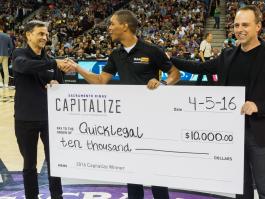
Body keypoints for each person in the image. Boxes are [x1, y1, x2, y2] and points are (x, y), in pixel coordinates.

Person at [169, 5, 265, 199]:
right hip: (232, 134)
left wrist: (259, 106)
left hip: (261, 135)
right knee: (240, 189)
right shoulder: (228, 55)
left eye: (245, 24)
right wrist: (170, 59)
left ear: (258, 26)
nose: (240, 29)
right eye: (237, 25)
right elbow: (200, 68)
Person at [64, 10, 180, 199]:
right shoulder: (116, 54)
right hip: (128, 121)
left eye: (112, 24)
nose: (108, 27)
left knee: (156, 170)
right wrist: (77, 67)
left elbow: (175, 74)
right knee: (132, 171)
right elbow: (101, 81)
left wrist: (163, 84)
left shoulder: (151, 50)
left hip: (153, 120)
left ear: (124, 26)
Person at [12, 20, 73, 199]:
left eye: (46, 34)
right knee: (29, 164)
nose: (45, 37)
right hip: (25, 119)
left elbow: (60, 82)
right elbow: (23, 66)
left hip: (49, 119)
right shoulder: (19, 53)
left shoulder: (48, 58)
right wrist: (54, 63)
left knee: (54, 162)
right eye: (40, 34)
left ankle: (57, 195)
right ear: (28, 35)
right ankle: (32, 196)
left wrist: (56, 82)